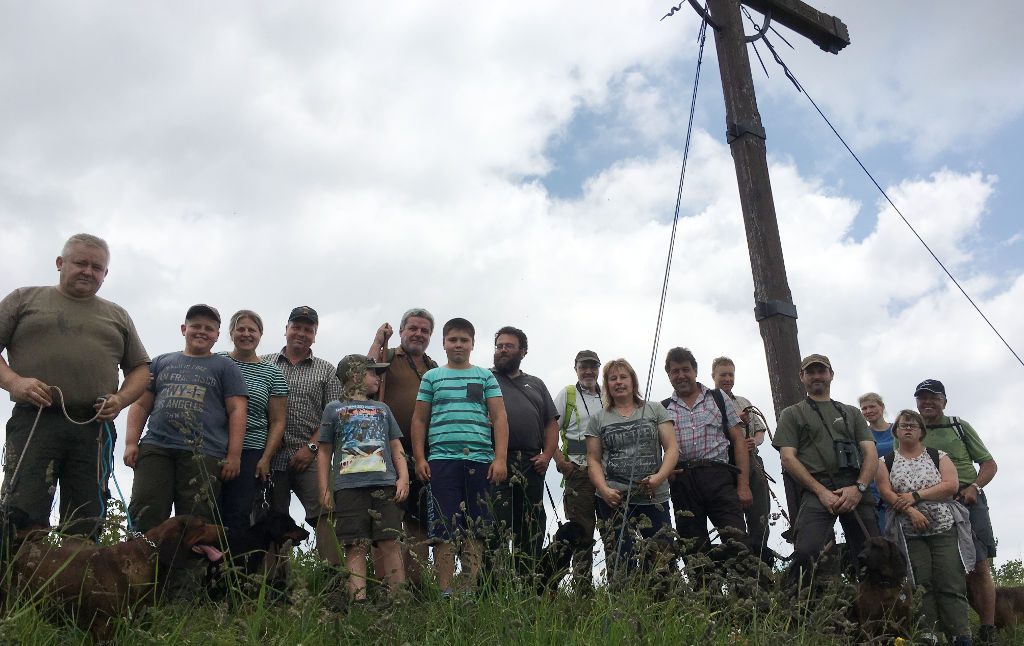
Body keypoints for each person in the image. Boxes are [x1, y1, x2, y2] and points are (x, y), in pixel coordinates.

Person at [0, 233, 150, 537]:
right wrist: (14, 382)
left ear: (105, 274)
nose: (88, 271)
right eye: (80, 263)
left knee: (86, 516)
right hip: (35, 420)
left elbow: (140, 370)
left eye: (97, 267)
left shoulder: (117, 315)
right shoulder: (23, 299)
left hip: (93, 426)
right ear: (60, 263)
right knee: (22, 509)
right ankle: (17, 579)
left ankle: (78, 582)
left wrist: (120, 400)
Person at [125, 304, 248, 532]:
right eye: (196, 326)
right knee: (145, 511)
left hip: (204, 453)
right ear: (184, 329)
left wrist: (234, 455)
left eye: (209, 329)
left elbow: (237, 410)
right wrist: (131, 442)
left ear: (217, 336)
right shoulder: (161, 362)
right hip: (156, 447)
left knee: (197, 520)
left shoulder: (226, 367)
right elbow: (141, 404)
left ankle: (190, 569)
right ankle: (141, 564)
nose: (201, 332)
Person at [411, 317, 508, 596]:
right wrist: (420, 458)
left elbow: (500, 417)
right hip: (441, 460)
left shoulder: (484, 376)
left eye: (464, 340)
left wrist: (499, 458)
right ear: (443, 343)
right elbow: (419, 420)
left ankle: (467, 590)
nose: (458, 345)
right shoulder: (432, 377)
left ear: (473, 344)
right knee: (444, 527)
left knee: (476, 528)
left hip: (480, 460)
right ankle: (445, 591)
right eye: (453, 339)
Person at [772, 353, 878, 587]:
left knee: (873, 555)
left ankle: (875, 617)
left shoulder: (851, 412)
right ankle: (798, 614)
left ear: (831, 374)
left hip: (855, 486)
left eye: (821, 371)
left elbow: (871, 453)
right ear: (802, 377)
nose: (817, 376)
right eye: (811, 372)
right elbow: (788, 458)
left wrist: (859, 488)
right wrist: (821, 492)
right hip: (817, 489)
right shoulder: (792, 413)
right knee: (805, 553)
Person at [875, 408, 974, 646]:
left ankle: (960, 636)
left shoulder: (938, 456)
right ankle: (927, 636)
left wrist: (915, 496)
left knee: (950, 582)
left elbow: (950, 485)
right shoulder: (885, 461)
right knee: (920, 585)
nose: (907, 429)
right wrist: (910, 510)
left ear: (921, 431)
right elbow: (886, 492)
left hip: (944, 529)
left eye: (912, 425)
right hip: (909, 533)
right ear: (895, 431)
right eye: (903, 425)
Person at [318, 354, 409, 601]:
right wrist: (325, 488)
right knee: (355, 545)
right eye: (372, 373)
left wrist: (403, 478)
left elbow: (395, 446)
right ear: (355, 376)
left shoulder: (382, 409)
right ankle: (358, 601)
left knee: (390, 542)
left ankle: (397, 599)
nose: (378, 378)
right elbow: (324, 451)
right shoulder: (333, 409)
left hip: (385, 485)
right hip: (348, 487)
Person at [916, 379, 998, 644]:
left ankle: (988, 628)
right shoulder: (911, 429)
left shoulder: (959, 427)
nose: (928, 402)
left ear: (944, 402)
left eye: (934, 397)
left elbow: (989, 464)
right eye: (923, 398)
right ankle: (948, 630)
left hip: (967, 499)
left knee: (979, 566)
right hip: (930, 505)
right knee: (945, 569)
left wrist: (974, 486)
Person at [584, 358, 677, 584]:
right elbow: (593, 459)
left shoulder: (655, 409)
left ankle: (664, 604)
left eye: (623, 377)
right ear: (607, 385)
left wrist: (659, 477)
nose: (619, 382)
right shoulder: (598, 418)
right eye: (613, 378)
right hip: (614, 500)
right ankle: (621, 606)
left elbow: (672, 449)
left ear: (633, 381)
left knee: (662, 558)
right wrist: (604, 490)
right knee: (620, 560)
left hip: (653, 497)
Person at [261, 306, 343, 562]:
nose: (301, 333)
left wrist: (312, 447)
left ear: (315, 335)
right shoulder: (263, 363)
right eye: (296, 327)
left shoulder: (327, 370)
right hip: (270, 457)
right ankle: (274, 582)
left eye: (308, 329)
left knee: (325, 513)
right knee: (271, 518)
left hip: (311, 456)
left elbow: (334, 415)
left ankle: (334, 579)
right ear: (286, 330)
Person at [366, 307, 438, 588]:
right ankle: (386, 585)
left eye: (424, 330)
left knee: (419, 520)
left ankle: (417, 584)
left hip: (423, 451)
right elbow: (365, 373)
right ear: (402, 331)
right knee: (385, 518)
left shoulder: (433, 367)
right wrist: (377, 340)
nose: (418, 334)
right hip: (386, 448)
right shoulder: (387, 355)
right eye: (413, 328)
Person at [662, 349, 750, 569]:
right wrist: (665, 472)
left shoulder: (718, 398)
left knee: (736, 539)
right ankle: (708, 601)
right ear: (669, 375)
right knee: (693, 548)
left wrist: (744, 485)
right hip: (683, 482)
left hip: (718, 476)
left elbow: (739, 441)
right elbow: (655, 449)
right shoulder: (663, 409)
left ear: (695, 371)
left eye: (686, 370)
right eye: (675, 371)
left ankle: (749, 599)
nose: (681, 375)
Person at [490, 326, 558, 574]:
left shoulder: (536, 384)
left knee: (530, 528)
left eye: (509, 346)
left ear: (523, 351)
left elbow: (551, 423)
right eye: (499, 346)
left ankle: (527, 585)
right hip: (495, 461)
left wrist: (547, 456)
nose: (502, 350)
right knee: (494, 525)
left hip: (531, 463)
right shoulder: (484, 378)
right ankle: (491, 588)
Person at [218, 310, 289, 535]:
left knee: (239, 512)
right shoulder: (216, 361)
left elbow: (278, 421)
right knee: (206, 509)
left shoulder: (272, 373)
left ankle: (233, 568)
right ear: (231, 333)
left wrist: (266, 458)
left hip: (251, 450)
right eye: (241, 329)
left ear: (260, 334)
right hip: (213, 446)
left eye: (252, 330)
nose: (246, 334)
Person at [710, 356, 771, 556]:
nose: (727, 378)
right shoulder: (709, 402)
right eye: (723, 375)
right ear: (714, 376)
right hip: (725, 464)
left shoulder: (744, 402)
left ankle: (761, 556)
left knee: (760, 514)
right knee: (731, 520)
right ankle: (741, 559)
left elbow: (759, 430)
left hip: (752, 462)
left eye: (730, 374)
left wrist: (755, 441)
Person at [552, 349, 602, 590]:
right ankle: (583, 590)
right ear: (576, 369)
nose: (588, 371)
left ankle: (620, 586)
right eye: (584, 366)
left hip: (608, 474)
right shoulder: (567, 394)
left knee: (613, 530)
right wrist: (561, 462)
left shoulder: (608, 394)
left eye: (593, 366)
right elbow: (550, 428)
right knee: (581, 532)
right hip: (579, 473)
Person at [859, 392, 893, 531]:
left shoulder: (897, 430)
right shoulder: (861, 434)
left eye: (872, 406)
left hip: (900, 489)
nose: (868, 411)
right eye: (864, 409)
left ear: (882, 407)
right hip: (875, 496)